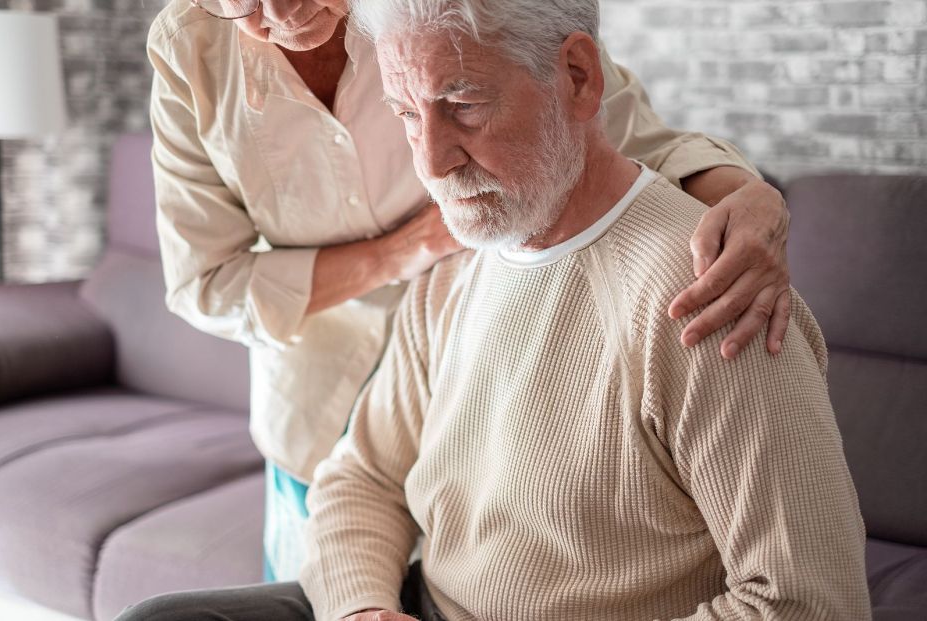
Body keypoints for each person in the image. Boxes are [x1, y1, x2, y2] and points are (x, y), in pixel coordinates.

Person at [120, 1, 870, 619]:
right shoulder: (452, 275)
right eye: (406, 115)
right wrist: (361, 609)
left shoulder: (708, 300)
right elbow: (358, 479)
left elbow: (806, 600)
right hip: (335, 429)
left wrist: (752, 195)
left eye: (464, 107)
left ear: (577, 77)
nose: (432, 163)